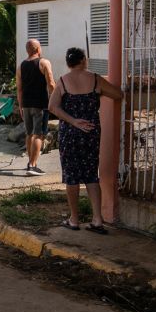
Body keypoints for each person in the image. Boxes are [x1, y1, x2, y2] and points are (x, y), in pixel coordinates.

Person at [47, 46, 122, 233]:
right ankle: (97, 219)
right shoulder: (95, 79)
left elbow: (52, 107)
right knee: (90, 174)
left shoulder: (63, 81)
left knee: (71, 177)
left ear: (68, 63)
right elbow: (118, 94)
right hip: (91, 132)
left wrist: (73, 121)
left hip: (70, 134)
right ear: (83, 60)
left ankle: (74, 219)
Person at [16, 39, 55, 176]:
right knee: (39, 134)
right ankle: (32, 166)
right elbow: (51, 83)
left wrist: (20, 106)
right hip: (40, 104)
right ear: (38, 49)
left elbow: (19, 89)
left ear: (27, 50)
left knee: (29, 134)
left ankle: (30, 162)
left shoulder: (21, 66)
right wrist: (55, 100)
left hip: (26, 104)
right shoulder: (44, 62)